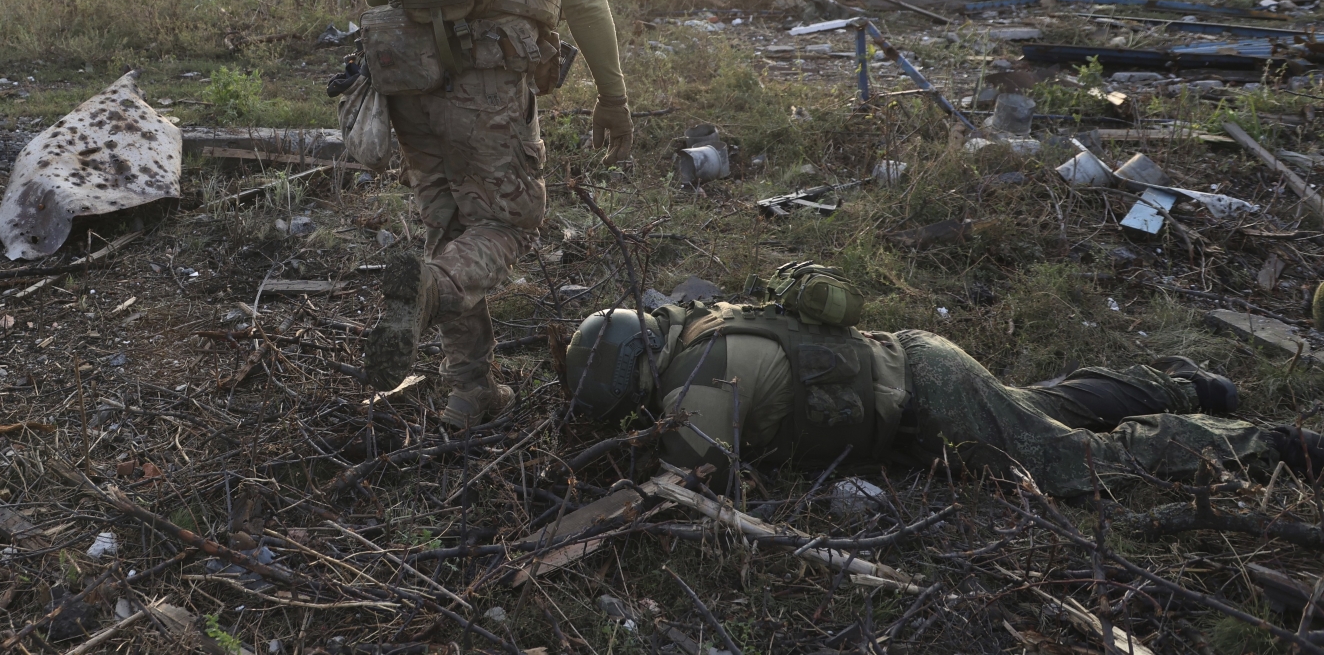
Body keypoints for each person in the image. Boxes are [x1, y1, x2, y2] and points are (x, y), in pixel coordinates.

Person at [358, 0, 631, 427]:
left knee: (452, 225)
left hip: (409, 82)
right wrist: (613, 94)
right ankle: (427, 292)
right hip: (486, 80)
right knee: (510, 222)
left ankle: (469, 389)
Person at [563, 269, 1323, 497]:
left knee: (1065, 465)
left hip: (925, 402)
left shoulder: (693, 385)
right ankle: (1185, 385)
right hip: (917, 367)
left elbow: (694, 481)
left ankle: (1279, 442)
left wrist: (617, 468)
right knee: (1038, 410)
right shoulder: (703, 322)